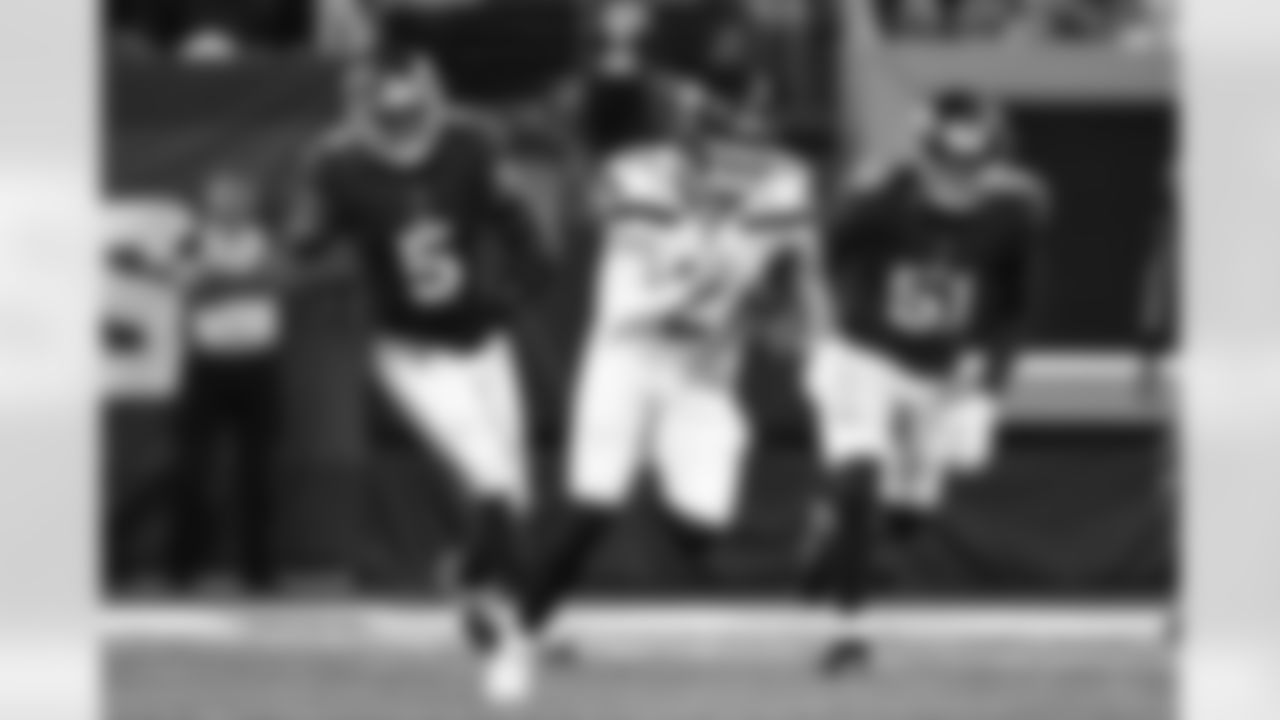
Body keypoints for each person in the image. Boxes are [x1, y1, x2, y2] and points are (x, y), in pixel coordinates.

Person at [481, 107, 827, 706]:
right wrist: (738, 299)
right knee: (594, 507)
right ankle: (516, 639)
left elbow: (796, 284)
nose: (738, 180)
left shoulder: (783, 189)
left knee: (701, 530)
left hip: (703, 374)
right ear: (691, 155)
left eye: (749, 165)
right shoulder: (637, 182)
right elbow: (648, 302)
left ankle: (656, 465)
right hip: (630, 354)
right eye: (726, 163)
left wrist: (795, 319)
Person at [290, 46, 549, 678]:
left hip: (481, 340)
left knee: (514, 499)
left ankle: (467, 577)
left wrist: (516, 289)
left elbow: (522, 226)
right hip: (413, 351)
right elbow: (304, 242)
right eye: (385, 95)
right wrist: (311, 220)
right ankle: (519, 626)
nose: (399, 111)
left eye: (407, 90)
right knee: (492, 480)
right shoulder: (339, 164)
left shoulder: (471, 143)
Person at [801, 89, 1048, 671]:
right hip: (863, 354)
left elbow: (1016, 308)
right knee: (861, 477)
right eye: (948, 164)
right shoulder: (881, 199)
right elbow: (820, 257)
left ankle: (832, 525)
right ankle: (849, 631)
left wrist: (990, 381)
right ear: (925, 153)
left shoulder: (1014, 214)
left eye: (972, 165)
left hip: (937, 374)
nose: (958, 181)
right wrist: (822, 327)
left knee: (907, 518)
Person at [167, 170, 291, 594]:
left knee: (259, 473)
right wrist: (248, 282)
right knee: (193, 470)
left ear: (251, 203)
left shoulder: (269, 240)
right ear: (208, 203)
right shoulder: (192, 241)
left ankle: (259, 572)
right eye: (222, 198)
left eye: (239, 197)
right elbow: (188, 288)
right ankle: (182, 568)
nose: (231, 205)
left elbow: (282, 282)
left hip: (259, 366)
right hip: (208, 367)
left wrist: (221, 282)